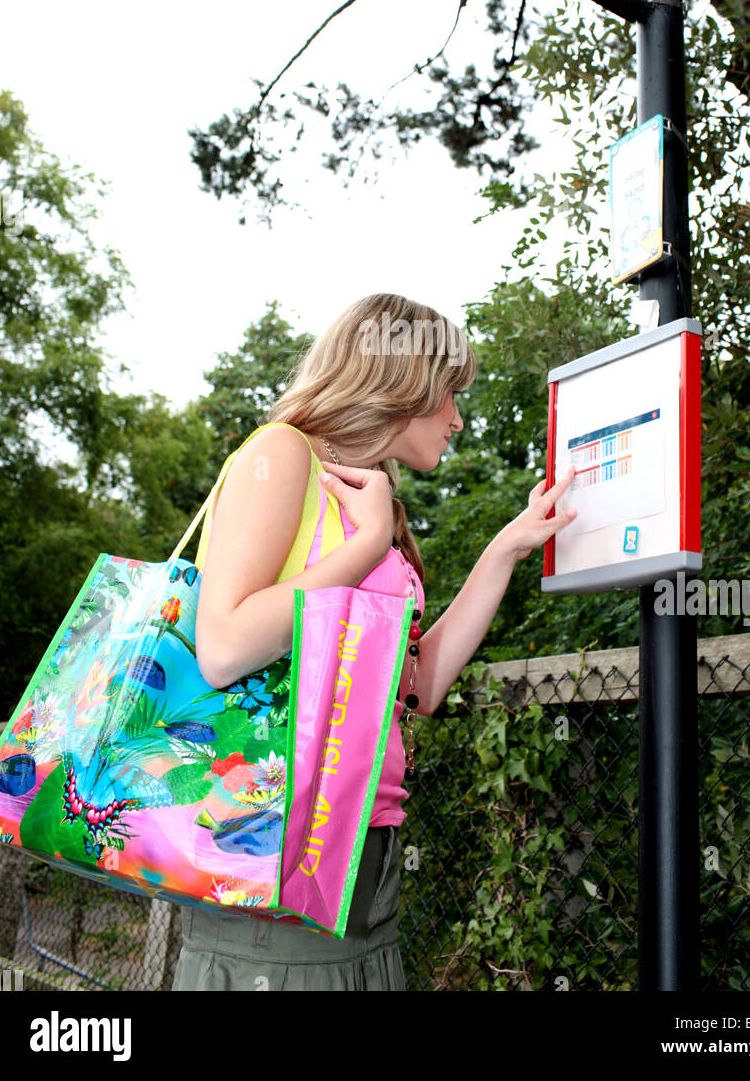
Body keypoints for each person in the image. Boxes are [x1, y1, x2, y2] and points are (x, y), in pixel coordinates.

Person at [172, 292, 576, 991]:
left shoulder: (372, 495)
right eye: (451, 394)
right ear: (404, 383)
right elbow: (224, 644)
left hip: (365, 845)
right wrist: (367, 543)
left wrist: (507, 548)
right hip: (272, 845)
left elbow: (415, 685)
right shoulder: (282, 456)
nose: (457, 418)